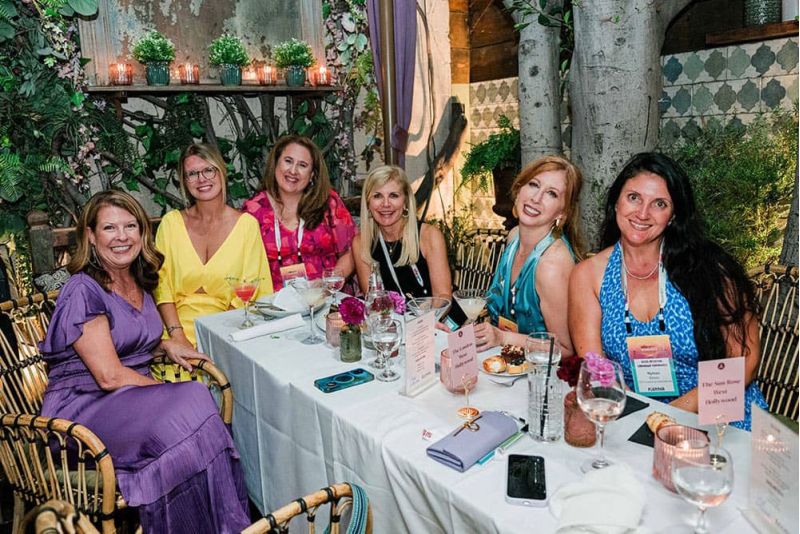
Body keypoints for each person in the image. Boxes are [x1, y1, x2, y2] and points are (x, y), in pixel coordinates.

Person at [39, 190, 250, 532]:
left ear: (142, 233)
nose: (122, 236)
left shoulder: (136, 278)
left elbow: (124, 341)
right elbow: (107, 374)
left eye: (130, 226)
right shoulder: (82, 288)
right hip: (84, 409)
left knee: (193, 408)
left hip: (128, 400)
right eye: (110, 228)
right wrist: (165, 392)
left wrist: (165, 345)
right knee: (190, 401)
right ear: (91, 236)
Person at [568, 152, 767, 430]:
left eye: (659, 204)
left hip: (718, 414)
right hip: (636, 418)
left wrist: (669, 415)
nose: (642, 213)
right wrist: (636, 423)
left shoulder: (711, 269)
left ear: (673, 215)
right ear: (616, 202)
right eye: (633, 197)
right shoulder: (588, 275)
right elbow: (597, 369)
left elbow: (743, 360)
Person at [155, 143, 272, 350]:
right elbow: (161, 288)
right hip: (174, 333)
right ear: (183, 181)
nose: (202, 179)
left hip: (229, 331)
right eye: (192, 174)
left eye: (208, 170)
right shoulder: (171, 224)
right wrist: (178, 337)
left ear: (221, 172)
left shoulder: (246, 226)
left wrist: (219, 342)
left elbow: (255, 289)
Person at [474, 155, 584, 355]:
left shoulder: (552, 264)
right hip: (508, 364)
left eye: (551, 193)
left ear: (562, 212)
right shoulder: (514, 237)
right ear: (519, 189)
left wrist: (503, 337)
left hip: (542, 377)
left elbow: (566, 349)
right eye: (534, 184)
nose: (536, 198)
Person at [244, 135, 357, 290]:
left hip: (326, 299)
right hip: (274, 305)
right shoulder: (253, 210)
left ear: (312, 175)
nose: (293, 171)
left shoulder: (328, 202)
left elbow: (351, 251)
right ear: (275, 163)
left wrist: (329, 282)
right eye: (288, 161)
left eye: (302, 165)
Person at [353, 165, 452, 299]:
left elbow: (442, 296)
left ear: (405, 201)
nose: (386, 204)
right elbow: (372, 299)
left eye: (393, 195)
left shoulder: (429, 236)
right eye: (377, 196)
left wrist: (425, 320)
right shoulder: (361, 243)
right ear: (368, 204)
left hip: (436, 315)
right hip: (391, 318)